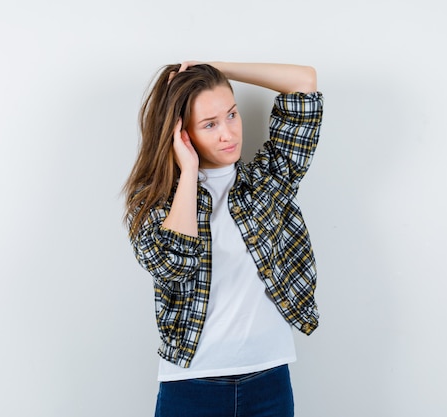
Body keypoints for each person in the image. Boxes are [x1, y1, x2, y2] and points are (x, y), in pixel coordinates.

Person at [123, 61, 324, 417]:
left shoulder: (267, 181)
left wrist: (214, 66)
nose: (228, 134)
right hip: (192, 384)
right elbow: (174, 265)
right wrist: (187, 173)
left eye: (231, 115)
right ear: (180, 132)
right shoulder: (153, 200)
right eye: (210, 124)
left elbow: (304, 84)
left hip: (269, 379)